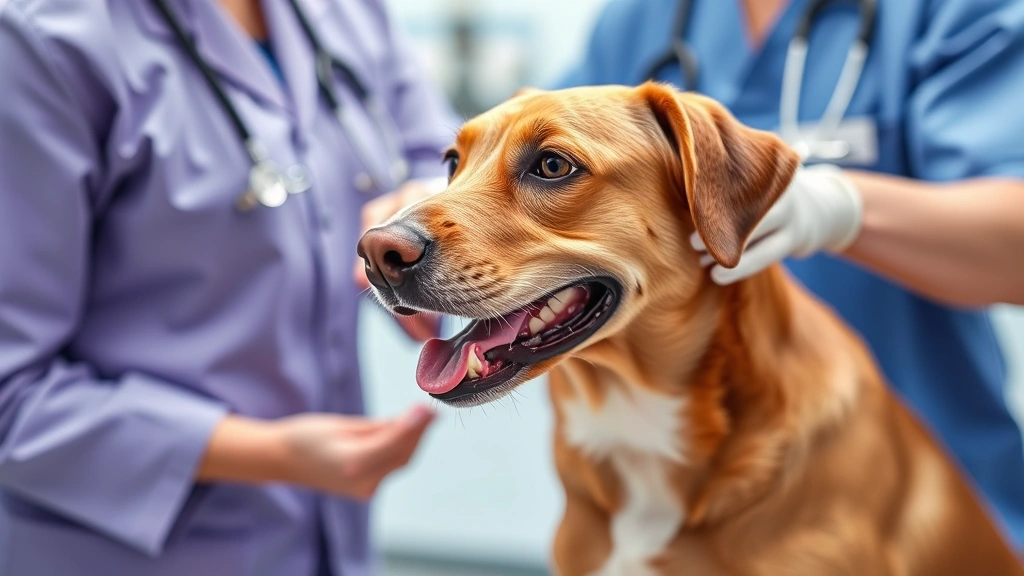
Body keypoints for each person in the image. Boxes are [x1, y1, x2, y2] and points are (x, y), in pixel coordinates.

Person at [0, 0, 456, 574]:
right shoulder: (42, 40)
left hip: (330, 538)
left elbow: (442, 159)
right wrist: (270, 455)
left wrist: (416, 210)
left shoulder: (349, 13)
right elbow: (9, 392)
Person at [557, 0, 1024, 550]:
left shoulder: (944, 11)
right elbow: (528, 160)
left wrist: (841, 207)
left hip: (908, 507)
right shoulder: (645, 18)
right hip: (663, 507)